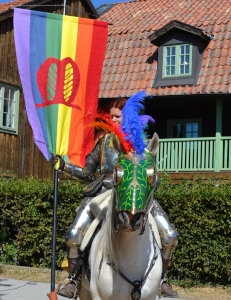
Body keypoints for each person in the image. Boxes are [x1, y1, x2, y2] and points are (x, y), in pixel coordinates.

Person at [53, 95, 179, 298]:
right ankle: (74, 280)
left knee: (170, 236)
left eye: (118, 116)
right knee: (74, 235)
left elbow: (150, 177)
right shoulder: (103, 143)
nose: (114, 120)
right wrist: (64, 166)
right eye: (111, 117)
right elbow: (87, 173)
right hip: (103, 193)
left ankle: (162, 279)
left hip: (136, 196)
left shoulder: (141, 146)